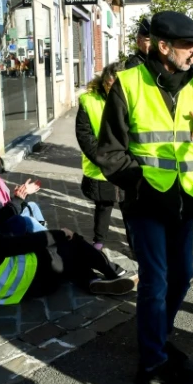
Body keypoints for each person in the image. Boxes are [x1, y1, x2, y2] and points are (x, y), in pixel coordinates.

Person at [96, 10, 193, 384]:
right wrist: (138, 184)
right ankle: (152, 359)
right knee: (156, 280)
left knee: (182, 275)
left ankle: (159, 333)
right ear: (164, 46)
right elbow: (109, 151)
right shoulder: (128, 82)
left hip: (185, 199)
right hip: (146, 200)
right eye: (189, 46)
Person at [0, 205, 135, 305]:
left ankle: (90, 281)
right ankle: (114, 272)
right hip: (36, 278)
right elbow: (24, 244)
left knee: (68, 261)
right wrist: (60, 234)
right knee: (74, 242)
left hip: (11, 294)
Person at [76, 62, 125, 251]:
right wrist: (102, 158)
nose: (110, 88)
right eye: (108, 84)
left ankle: (136, 245)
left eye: (115, 85)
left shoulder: (133, 98)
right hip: (101, 164)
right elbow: (84, 134)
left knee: (129, 209)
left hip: (126, 163)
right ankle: (99, 240)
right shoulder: (89, 100)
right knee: (104, 205)